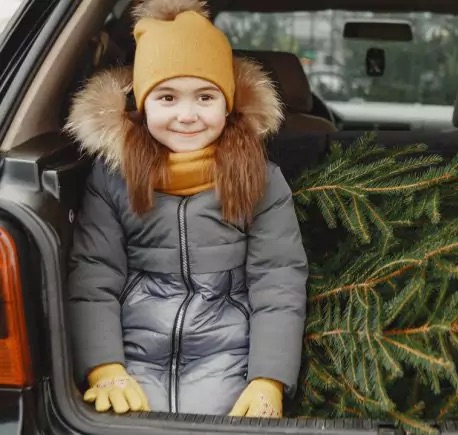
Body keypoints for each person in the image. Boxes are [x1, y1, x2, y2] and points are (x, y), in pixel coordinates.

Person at [64, 0, 307, 418]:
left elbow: (278, 281)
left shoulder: (260, 178)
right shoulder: (112, 178)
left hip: (229, 353)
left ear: (228, 104)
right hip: (132, 352)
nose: (187, 115)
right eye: (168, 97)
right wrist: (105, 366)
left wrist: (268, 378)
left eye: (206, 96)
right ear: (141, 103)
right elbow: (93, 276)